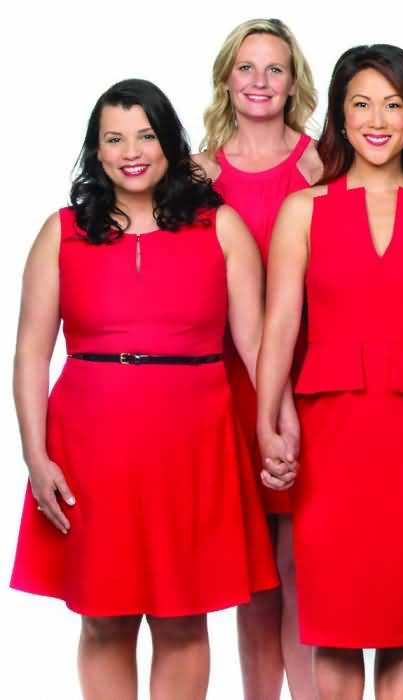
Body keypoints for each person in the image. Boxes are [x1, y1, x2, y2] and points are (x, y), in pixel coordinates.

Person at [10, 78, 278, 698]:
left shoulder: (222, 227)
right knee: (103, 618)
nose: (131, 151)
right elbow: (30, 351)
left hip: (194, 448)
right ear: (96, 152)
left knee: (183, 617)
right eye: (114, 138)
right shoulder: (62, 232)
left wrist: (274, 426)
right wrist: (35, 455)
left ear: (169, 143)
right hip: (90, 451)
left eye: (146, 135)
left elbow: (259, 348)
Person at [255, 44, 403, 700]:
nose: (377, 118)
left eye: (393, 103)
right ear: (339, 115)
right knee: (333, 623)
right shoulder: (303, 211)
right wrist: (267, 420)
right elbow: (279, 325)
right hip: (330, 434)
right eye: (361, 103)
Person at [192, 18, 322, 700]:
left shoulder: (319, 162)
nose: (261, 82)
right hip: (227, 382)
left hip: (309, 377)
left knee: (302, 557)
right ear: (227, 79)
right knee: (253, 569)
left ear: (293, 79)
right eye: (248, 68)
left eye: (274, 69)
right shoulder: (197, 175)